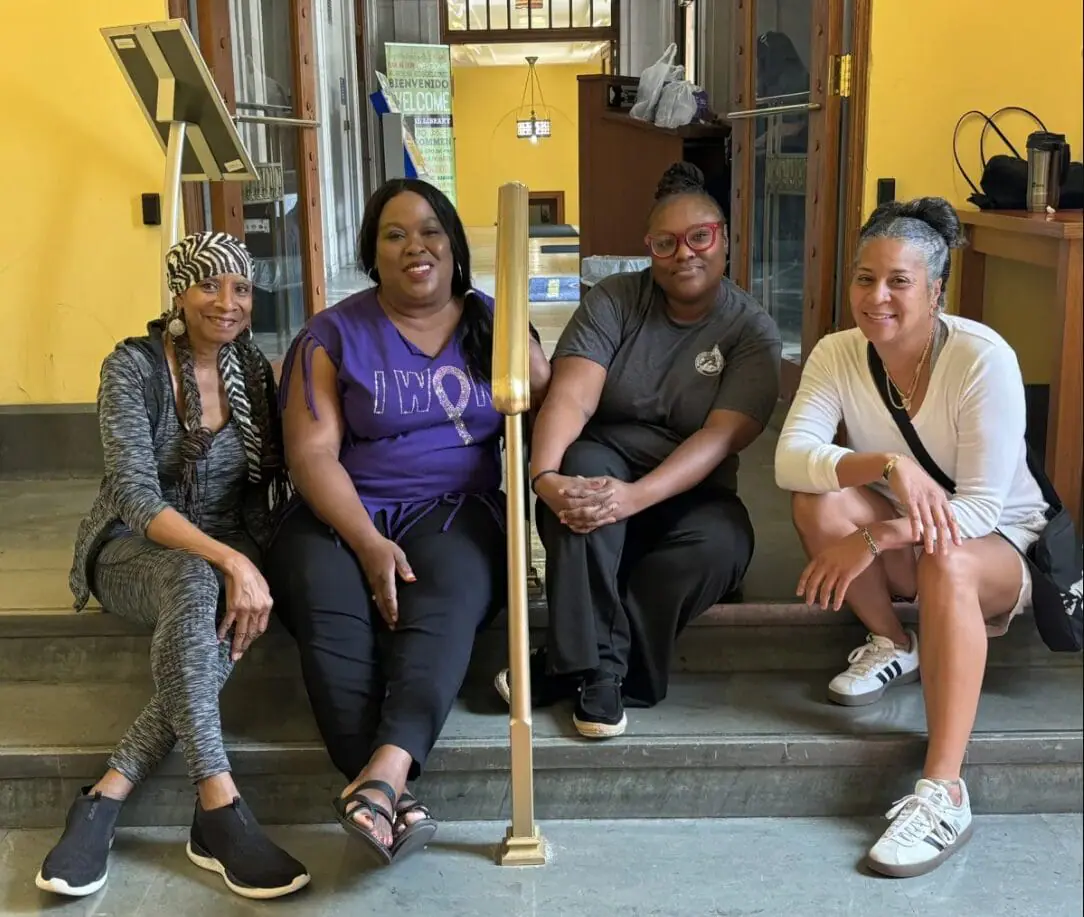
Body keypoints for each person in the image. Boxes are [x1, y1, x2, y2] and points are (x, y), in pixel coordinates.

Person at [265, 178, 550, 865]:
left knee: (444, 603)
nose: (414, 246)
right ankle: (389, 788)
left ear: (454, 244)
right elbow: (311, 454)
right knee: (330, 611)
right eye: (394, 234)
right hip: (343, 508)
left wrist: (522, 336)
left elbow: (546, 407)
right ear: (372, 253)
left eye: (430, 231)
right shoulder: (332, 335)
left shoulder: (495, 321)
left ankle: (380, 778)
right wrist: (366, 541)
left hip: (459, 508)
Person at [774, 197, 1049, 877]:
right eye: (864, 279)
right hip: (916, 542)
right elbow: (788, 457)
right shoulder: (839, 353)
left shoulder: (983, 357)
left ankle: (945, 789)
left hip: (997, 548)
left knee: (948, 565)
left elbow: (984, 507)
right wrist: (885, 465)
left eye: (899, 281)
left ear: (936, 291)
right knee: (817, 499)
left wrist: (874, 539)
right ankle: (895, 642)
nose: (878, 297)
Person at [37, 232, 309, 900]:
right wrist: (227, 561)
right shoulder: (131, 366)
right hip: (133, 549)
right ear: (178, 294)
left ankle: (106, 793)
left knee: (210, 593)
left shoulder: (253, 369)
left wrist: (252, 559)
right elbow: (133, 494)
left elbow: (259, 489)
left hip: (222, 553)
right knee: (196, 578)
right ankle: (219, 801)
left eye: (241, 288)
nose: (227, 301)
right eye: (209, 285)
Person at [498, 162, 781, 739]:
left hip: (689, 489)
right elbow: (573, 398)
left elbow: (719, 437)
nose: (685, 254)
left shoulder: (752, 330)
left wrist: (633, 500)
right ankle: (599, 676)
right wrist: (544, 475)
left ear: (723, 238)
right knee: (581, 474)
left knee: (726, 544)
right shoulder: (615, 299)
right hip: (606, 460)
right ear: (648, 249)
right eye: (665, 243)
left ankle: (573, 665)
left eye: (699, 237)